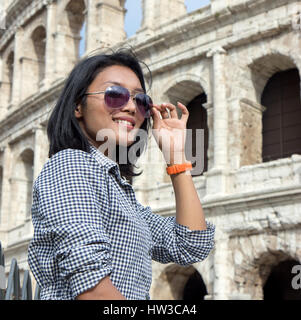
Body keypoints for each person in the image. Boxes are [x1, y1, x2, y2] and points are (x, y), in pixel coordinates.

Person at [28, 49, 215, 300]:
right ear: (77, 107)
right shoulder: (71, 165)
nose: (130, 107)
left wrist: (176, 157)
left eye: (141, 101)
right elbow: (93, 289)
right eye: (114, 95)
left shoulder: (119, 192)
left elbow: (190, 245)